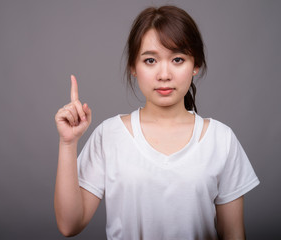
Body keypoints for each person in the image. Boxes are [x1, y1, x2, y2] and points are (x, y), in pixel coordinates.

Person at [54, 5, 259, 240]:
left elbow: (233, 234)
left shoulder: (221, 139)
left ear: (196, 65)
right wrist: (67, 143)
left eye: (178, 59)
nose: (164, 74)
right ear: (133, 66)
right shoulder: (109, 135)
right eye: (150, 60)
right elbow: (69, 225)